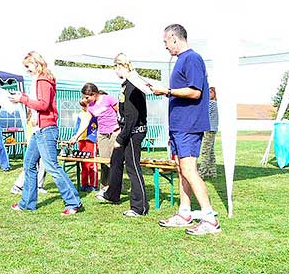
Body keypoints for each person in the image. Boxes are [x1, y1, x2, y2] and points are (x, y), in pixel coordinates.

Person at [151, 24, 221, 235]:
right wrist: (167, 92)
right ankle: (184, 213)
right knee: (183, 170)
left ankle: (210, 219)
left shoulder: (192, 59)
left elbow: (195, 92)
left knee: (190, 170)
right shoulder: (182, 60)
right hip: (180, 125)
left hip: (189, 125)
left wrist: (168, 90)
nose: (165, 46)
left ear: (174, 38)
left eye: (165, 42)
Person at [9, 51, 82, 215]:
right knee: (28, 165)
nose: (27, 70)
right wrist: (23, 96)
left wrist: (22, 99)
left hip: (46, 129)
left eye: (28, 67)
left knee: (52, 167)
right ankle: (27, 203)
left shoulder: (43, 80)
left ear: (36, 64)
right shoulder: (37, 80)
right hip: (38, 130)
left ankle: (73, 202)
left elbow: (43, 105)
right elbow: (38, 102)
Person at [95, 53, 149, 217]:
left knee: (133, 167)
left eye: (115, 68)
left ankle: (139, 207)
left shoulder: (133, 85)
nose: (115, 72)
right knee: (116, 159)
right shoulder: (126, 85)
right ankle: (112, 194)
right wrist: (120, 127)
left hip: (134, 132)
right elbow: (125, 114)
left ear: (120, 66)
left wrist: (121, 137)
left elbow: (132, 116)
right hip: (126, 129)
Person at [80, 83, 119, 191]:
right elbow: (86, 122)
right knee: (104, 162)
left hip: (114, 133)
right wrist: (76, 136)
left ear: (94, 94)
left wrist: (120, 128)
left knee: (114, 161)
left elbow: (120, 112)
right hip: (102, 135)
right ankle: (104, 188)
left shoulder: (108, 99)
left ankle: (115, 187)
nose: (85, 99)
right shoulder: (91, 107)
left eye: (87, 97)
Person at [69, 97, 98, 192]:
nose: (84, 108)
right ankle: (84, 184)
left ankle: (93, 184)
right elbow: (78, 126)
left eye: (85, 105)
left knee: (92, 162)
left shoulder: (94, 114)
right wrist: (74, 136)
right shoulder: (81, 114)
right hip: (81, 140)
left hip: (91, 139)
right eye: (82, 106)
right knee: (83, 163)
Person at [199, 87, 219, 178]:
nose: (209, 93)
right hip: (212, 129)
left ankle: (202, 172)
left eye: (211, 92)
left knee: (205, 151)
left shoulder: (211, 103)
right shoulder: (214, 104)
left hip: (209, 129)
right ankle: (212, 171)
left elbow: (204, 113)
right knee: (210, 151)